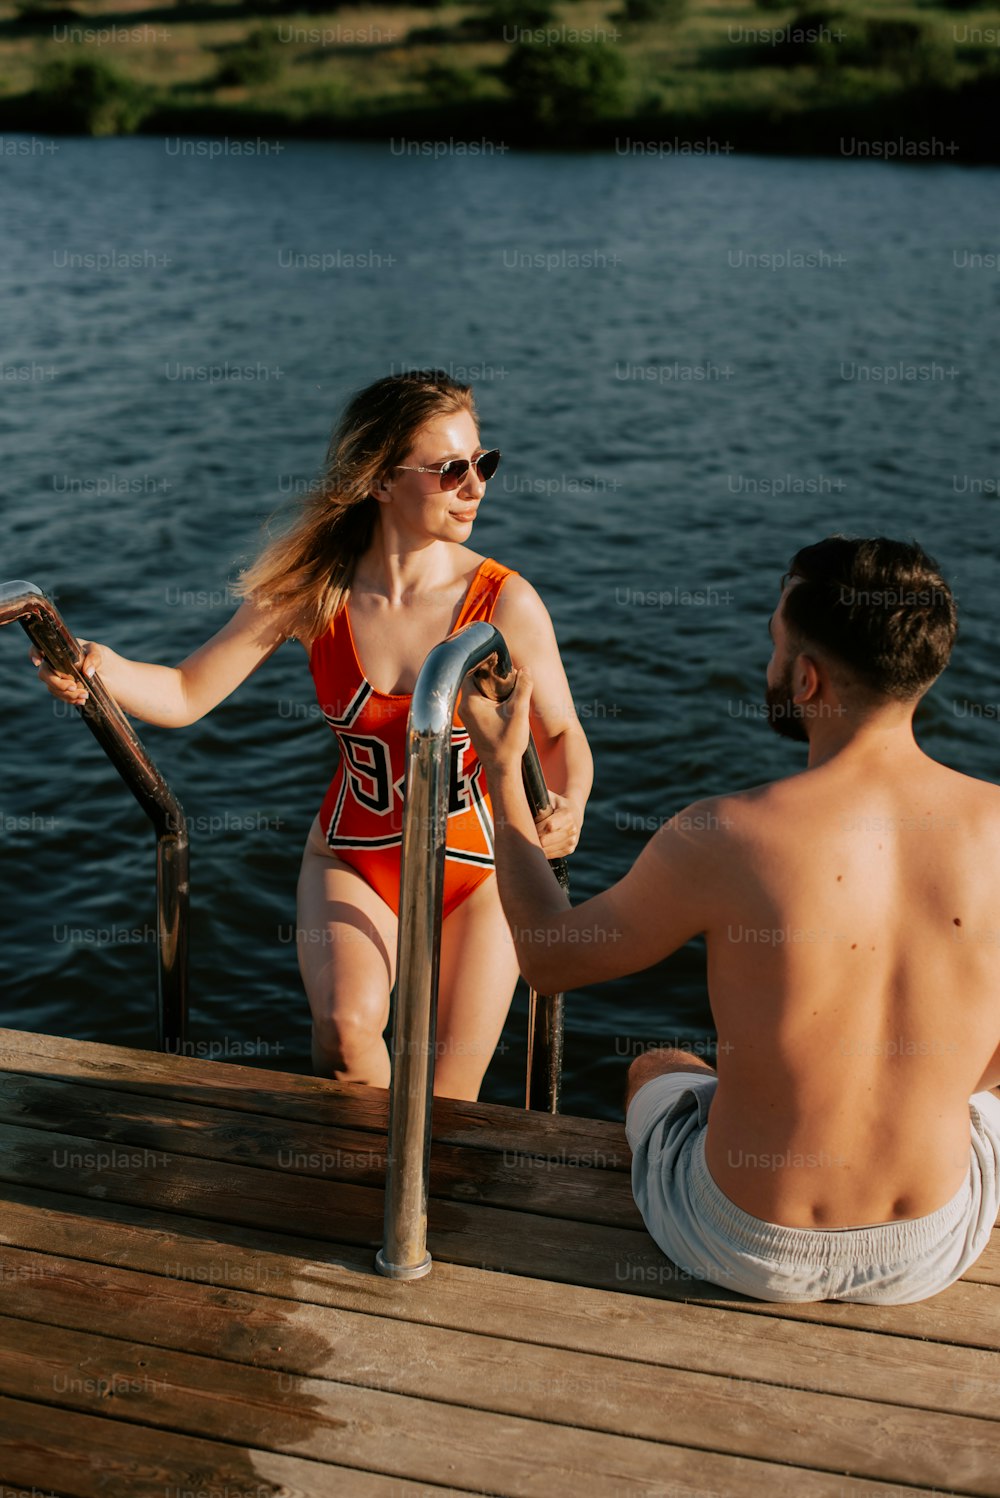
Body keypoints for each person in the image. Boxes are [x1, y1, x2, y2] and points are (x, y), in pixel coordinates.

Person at [459, 535, 1000, 1303]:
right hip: (926, 1247)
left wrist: (501, 769)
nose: (770, 661)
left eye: (776, 643)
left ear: (806, 678)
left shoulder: (723, 835)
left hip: (744, 1243)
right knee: (975, 1095)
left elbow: (549, 958)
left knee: (660, 1068)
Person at [30, 369, 593, 1101]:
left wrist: (573, 799)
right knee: (347, 1034)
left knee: (450, 1101)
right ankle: (357, 1200)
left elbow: (562, 734)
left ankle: (415, 1210)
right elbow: (185, 692)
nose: (475, 486)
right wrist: (99, 669)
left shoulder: (504, 602)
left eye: (483, 463)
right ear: (381, 482)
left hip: (480, 870)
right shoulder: (314, 591)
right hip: (354, 856)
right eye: (450, 469)